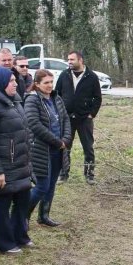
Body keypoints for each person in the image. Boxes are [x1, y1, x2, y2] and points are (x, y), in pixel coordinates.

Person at [0, 66, 33, 254]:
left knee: (23, 199)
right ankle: (1, 242)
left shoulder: (14, 101)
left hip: (20, 162)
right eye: (11, 81)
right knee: (3, 203)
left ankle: (19, 235)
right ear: (0, 83)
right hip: (4, 164)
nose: (15, 83)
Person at [24, 69, 72, 227]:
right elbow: (34, 125)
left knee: (51, 185)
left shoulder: (56, 98)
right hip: (41, 150)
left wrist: (65, 139)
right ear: (37, 84)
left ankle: (43, 216)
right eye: (46, 83)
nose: (50, 85)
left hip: (58, 150)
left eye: (51, 82)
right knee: (42, 185)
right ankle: (23, 215)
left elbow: (65, 120)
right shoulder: (32, 100)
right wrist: (57, 142)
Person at [55, 50, 101, 184]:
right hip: (67, 118)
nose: (69, 62)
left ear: (80, 60)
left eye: (72, 59)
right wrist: (60, 112)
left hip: (84, 119)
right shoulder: (64, 75)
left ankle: (89, 175)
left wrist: (91, 114)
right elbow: (57, 94)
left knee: (88, 148)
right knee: (64, 147)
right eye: (68, 59)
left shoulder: (91, 76)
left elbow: (97, 98)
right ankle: (63, 174)